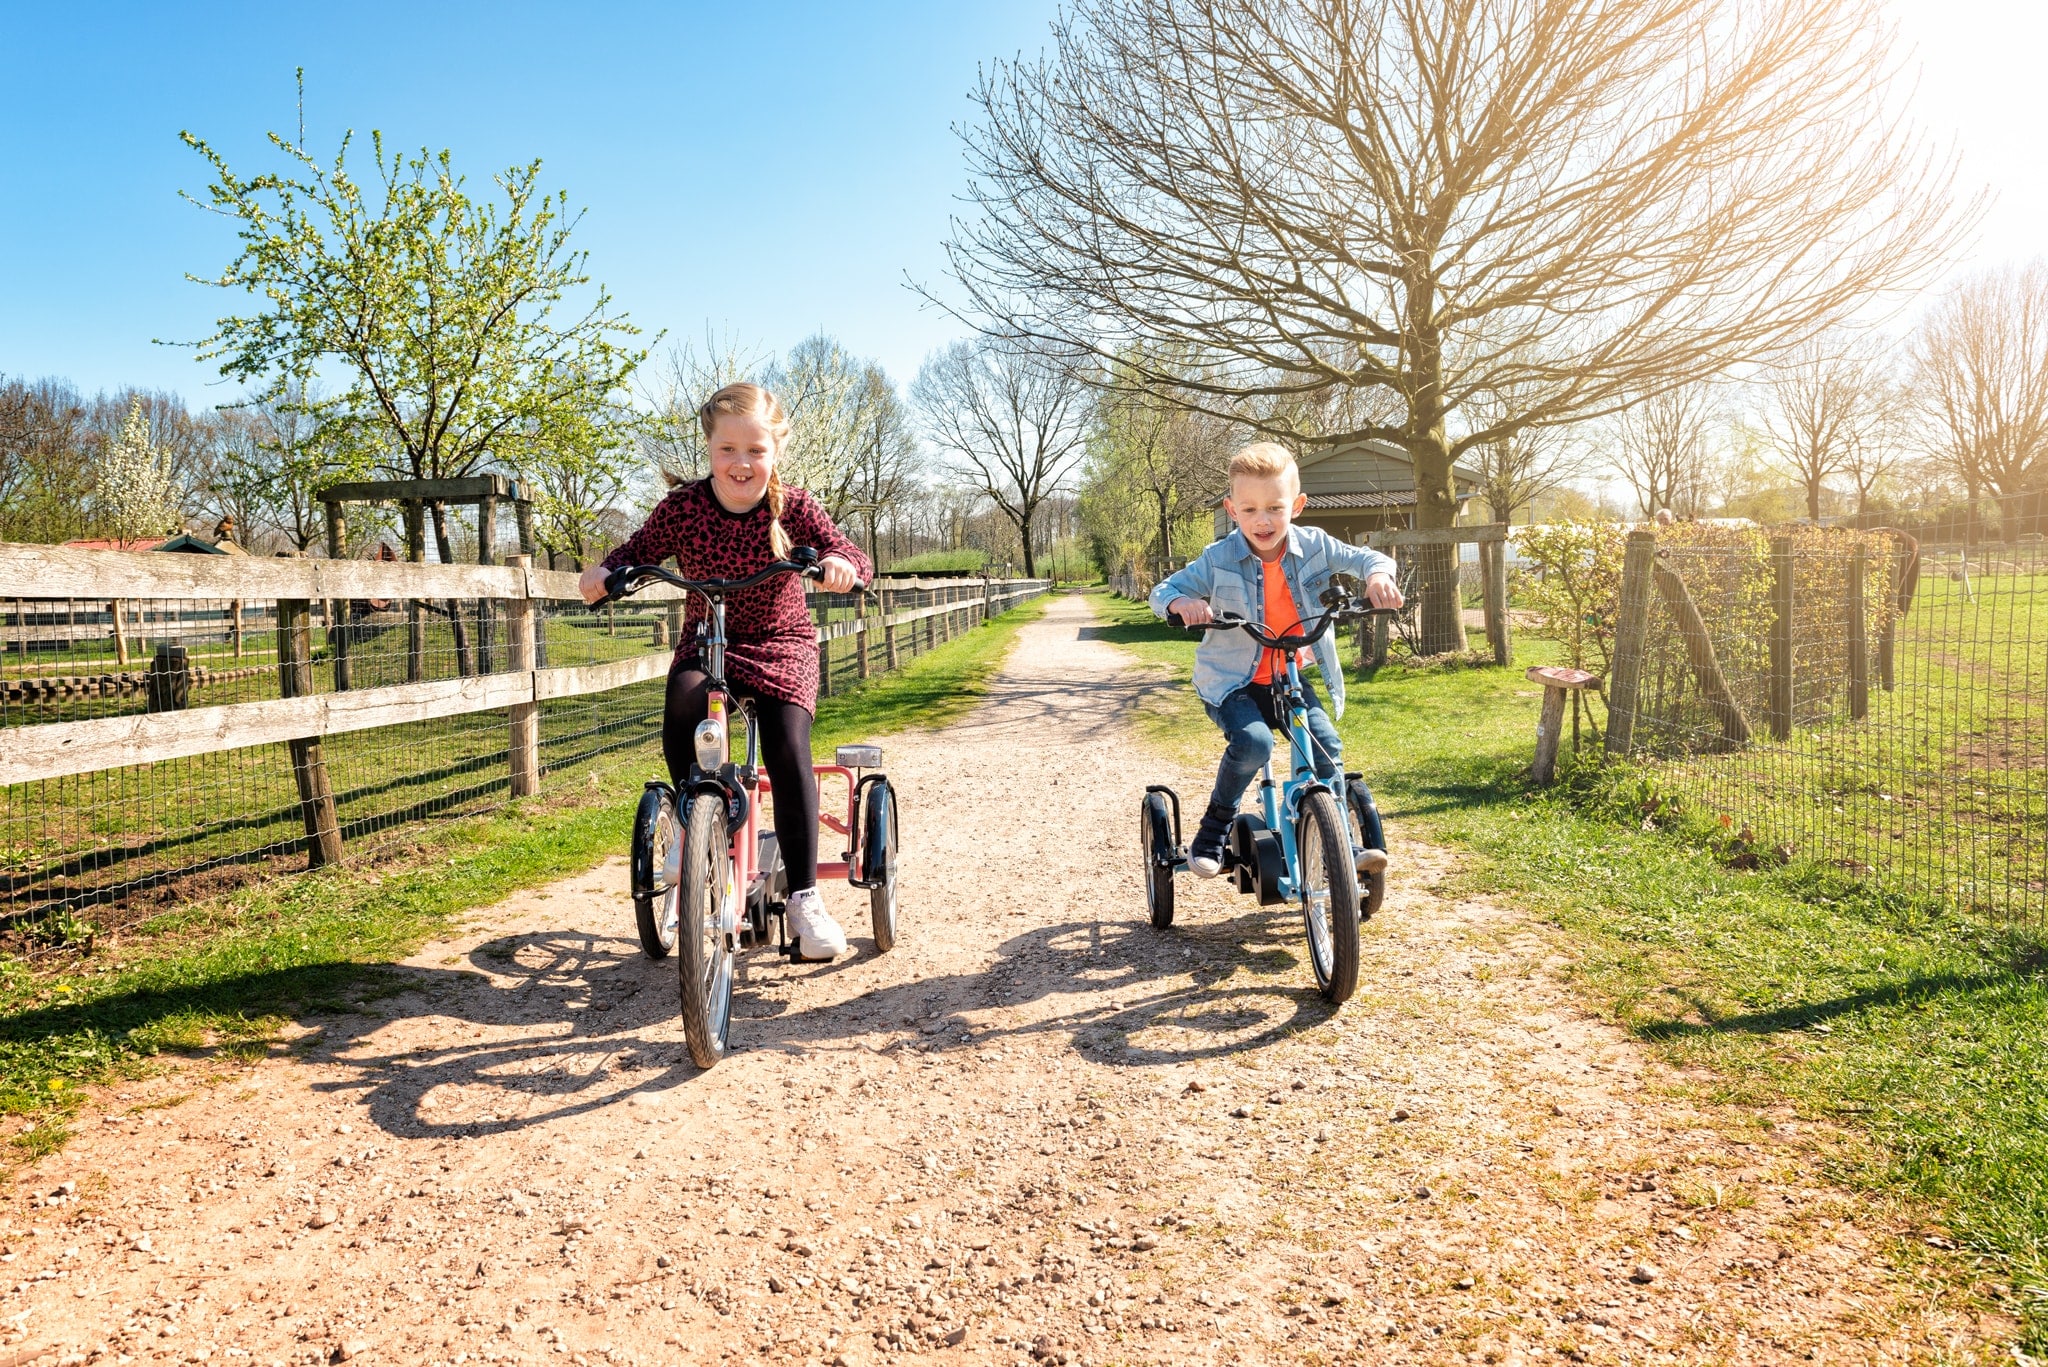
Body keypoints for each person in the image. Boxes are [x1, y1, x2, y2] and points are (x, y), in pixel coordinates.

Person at [580, 383, 871, 960]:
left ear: (776, 452)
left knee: (788, 746)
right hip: (707, 637)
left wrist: (840, 564)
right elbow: (637, 550)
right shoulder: (683, 509)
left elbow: (849, 552)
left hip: (780, 642)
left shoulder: (795, 507)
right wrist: (604, 571)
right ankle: (697, 829)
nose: (742, 463)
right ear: (709, 448)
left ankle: (806, 901)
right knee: (683, 705)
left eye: (756, 451)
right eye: (728, 449)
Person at [1151, 443, 1404, 878]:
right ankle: (1213, 830)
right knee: (1254, 743)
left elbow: (1370, 558)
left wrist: (1378, 574)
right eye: (1249, 510)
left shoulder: (1316, 545)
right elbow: (1163, 591)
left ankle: (1338, 835)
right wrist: (1181, 605)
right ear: (1232, 510)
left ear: (1298, 506)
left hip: (1289, 675)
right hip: (1232, 682)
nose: (1262, 520)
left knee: (1326, 744)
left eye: (1274, 507)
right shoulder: (1218, 558)